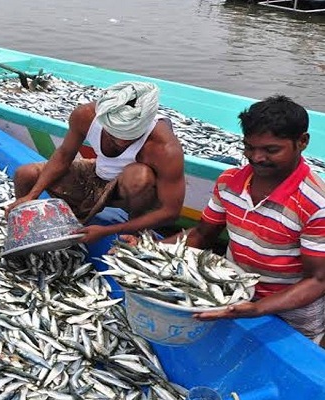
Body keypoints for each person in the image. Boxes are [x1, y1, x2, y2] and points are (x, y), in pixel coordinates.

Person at [130, 95, 325, 345]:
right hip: (233, 293)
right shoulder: (229, 182)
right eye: (249, 147)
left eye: (271, 150)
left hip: (292, 312)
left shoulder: (316, 202)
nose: (256, 157)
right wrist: (147, 251)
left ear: (303, 142)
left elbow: (317, 280)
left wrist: (258, 308)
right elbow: (201, 234)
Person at [5, 81, 186, 244]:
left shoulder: (165, 148)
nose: (121, 142)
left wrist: (107, 231)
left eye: (129, 137)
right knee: (25, 174)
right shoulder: (85, 115)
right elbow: (64, 154)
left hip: (126, 189)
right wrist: (32, 195)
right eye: (113, 134)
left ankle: (134, 230)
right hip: (97, 172)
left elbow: (171, 211)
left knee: (139, 176)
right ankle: (27, 230)